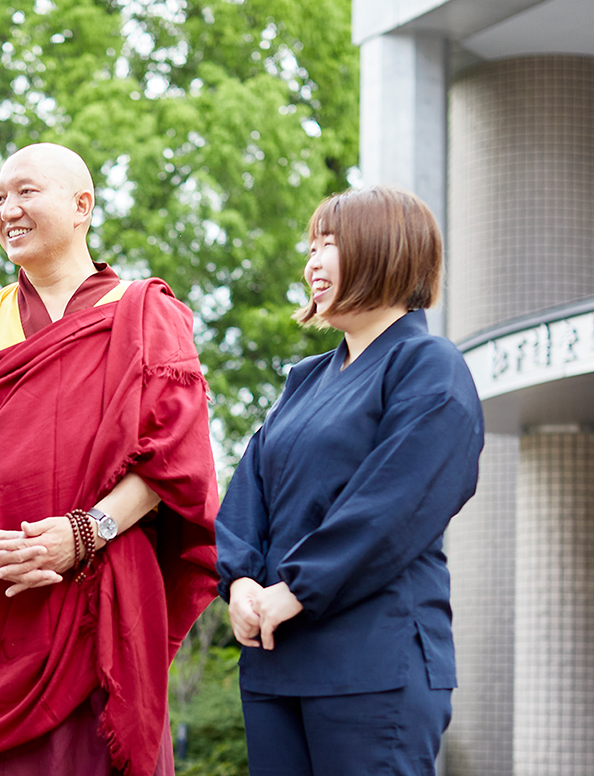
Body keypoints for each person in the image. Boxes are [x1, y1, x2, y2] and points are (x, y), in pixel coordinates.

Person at [0, 143, 220, 775]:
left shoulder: (145, 314)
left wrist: (85, 532)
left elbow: (175, 463)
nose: (7, 210)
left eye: (25, 192)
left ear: (82, 206)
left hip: (100, 599)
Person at [216, 186, 485, 775]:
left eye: (328, 245)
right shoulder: (305, 380)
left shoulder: (428, 366)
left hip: (373, 660)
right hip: (274, 658)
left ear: (384, 251)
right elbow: (248, 491)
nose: (311, 262)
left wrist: (295, 590)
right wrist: (239, 583)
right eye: (309, 247)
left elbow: (396, 502)